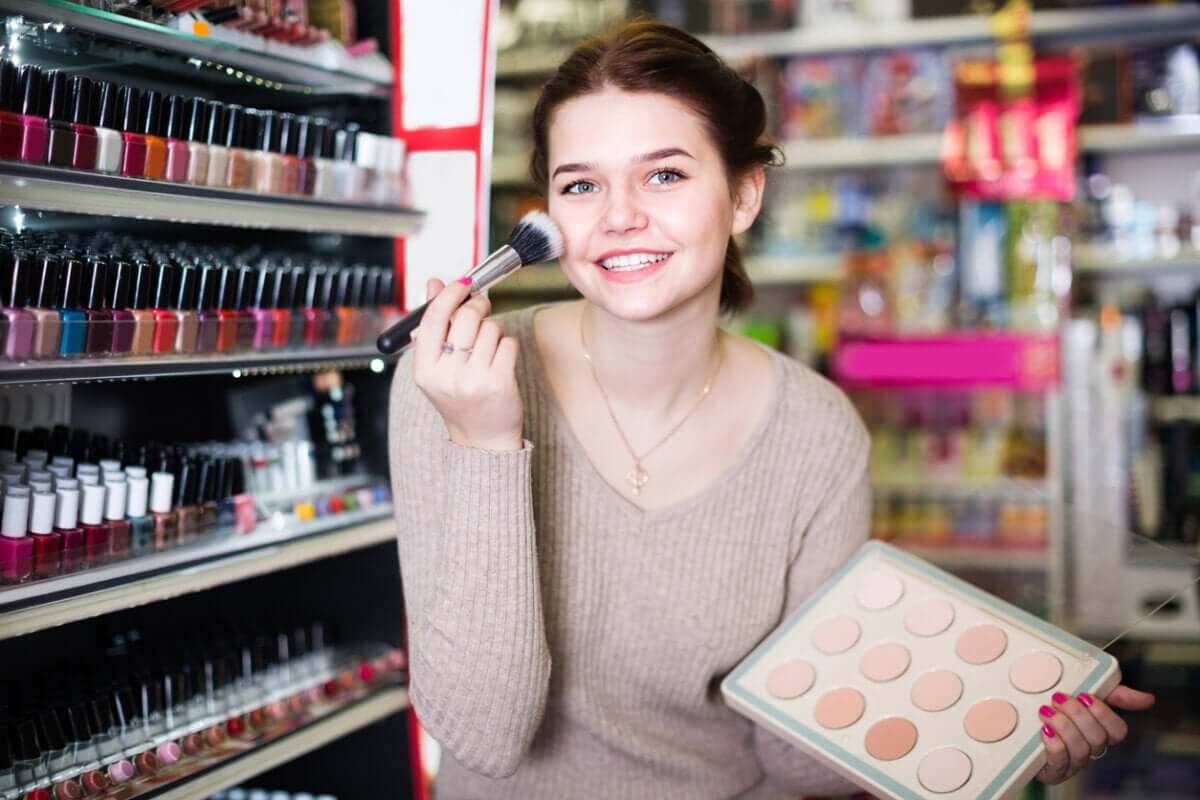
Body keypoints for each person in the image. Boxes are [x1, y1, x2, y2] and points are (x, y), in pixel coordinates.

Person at [387, 19, 1154, 799]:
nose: (618, 216)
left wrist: (995, 718)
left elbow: (793, 758)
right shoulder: (451, 383)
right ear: (547, 211)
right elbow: (485, 735)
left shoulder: (815, 432)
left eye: (665, 176)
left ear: (744, 194)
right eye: (581, 185)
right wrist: (484, 445)